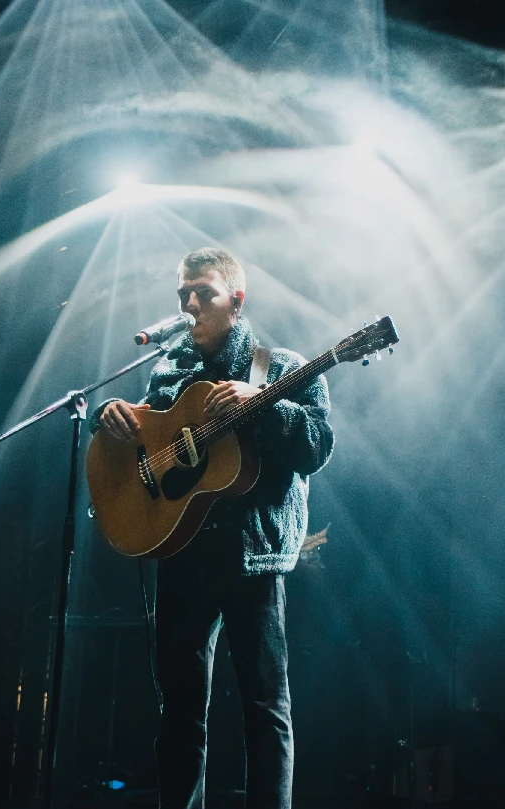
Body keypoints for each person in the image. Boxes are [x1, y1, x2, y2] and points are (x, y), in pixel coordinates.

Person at [90, 247, 334, 809]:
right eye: (182, 295)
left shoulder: (281, 366)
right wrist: (122, 426)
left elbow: (317, 446)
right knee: (177, 710)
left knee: (265, 706)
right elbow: (153, 444)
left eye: (203, 292)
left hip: (253, 556)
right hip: (182, 550)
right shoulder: (168, 369)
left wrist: (264, 405)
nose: (190, 303)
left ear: (236, 301)